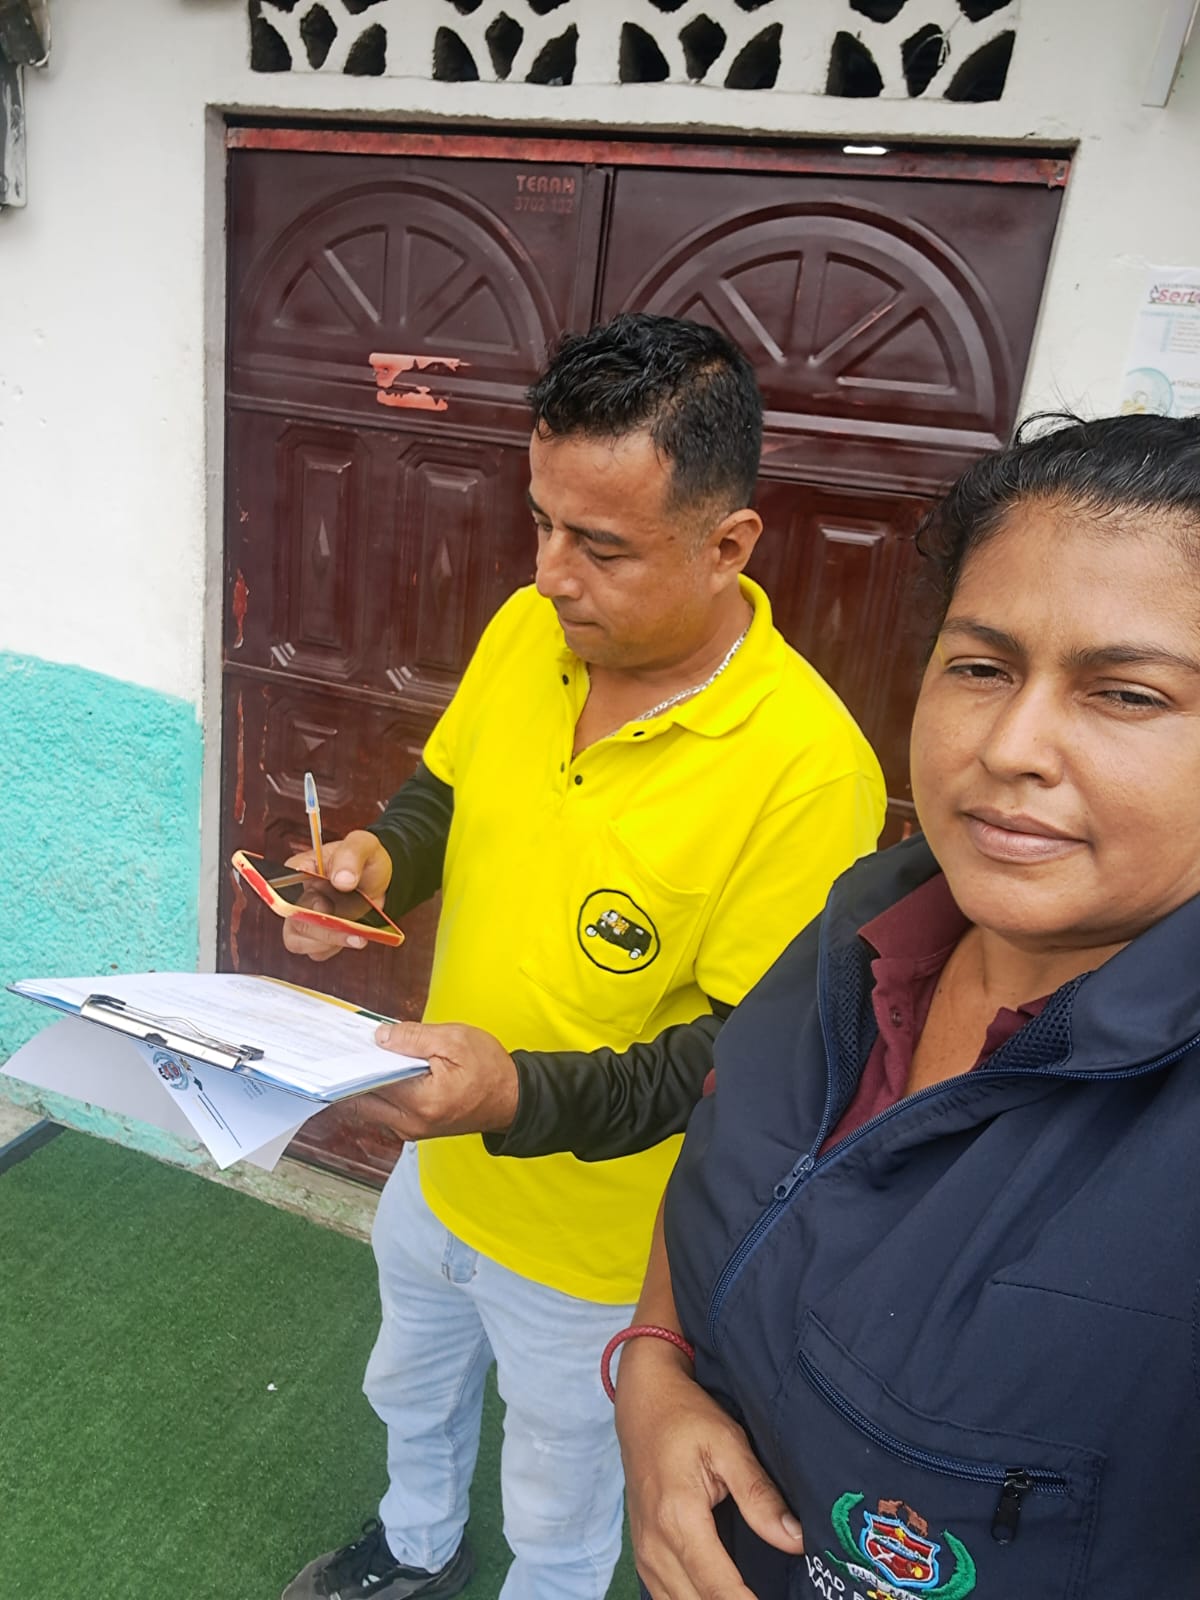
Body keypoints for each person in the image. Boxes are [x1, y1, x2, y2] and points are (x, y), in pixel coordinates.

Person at [278, 312, 886, 1600]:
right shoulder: (528, 632)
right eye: (541, 522)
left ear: (729, 545)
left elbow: (736, 1064)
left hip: (606, 1251)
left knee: (561, 1493)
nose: (551, 573)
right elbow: (447, 792)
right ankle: (415, 1547)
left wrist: (514, 1098)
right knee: (408, 1387)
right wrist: (378, 866)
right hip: (438, 1172)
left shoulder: (809, 770)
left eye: (600, 545)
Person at [609, 411, 1200, 1600]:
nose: (1010, 745)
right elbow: (726, 1154)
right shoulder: (863, 929)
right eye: (981, 666)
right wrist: (655, 1370)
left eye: (1127, 694)